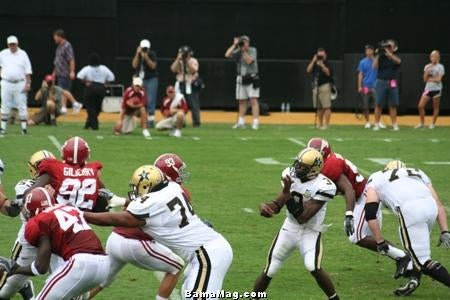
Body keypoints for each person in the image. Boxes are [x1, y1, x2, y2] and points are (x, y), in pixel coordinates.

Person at [83, 165, 233, 298]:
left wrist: (81, 215)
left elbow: (118, 219)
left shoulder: (152, 202)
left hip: (207, 254)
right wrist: (122, 201)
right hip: (206, 251)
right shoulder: (173, 187)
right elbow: (153, 205)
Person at [88, 153, 190, 300]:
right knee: (176, 266)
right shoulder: (178, 192)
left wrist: (121, 200)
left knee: (103, 280)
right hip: (136, 243)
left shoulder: (146, 184)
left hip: (115, 239)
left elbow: (141, 205)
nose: (181, 174)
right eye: (179, 171)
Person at [307, 138, 410, 277]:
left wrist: (349, 214)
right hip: (362, 195)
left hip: (364, 196)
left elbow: (349, 190)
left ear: (323, 154)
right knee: (373, 238)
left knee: (356, 236)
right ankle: (406, 262)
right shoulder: (328, 160)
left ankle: (404, 257)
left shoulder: (331, 165)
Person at [255, 148, 340, 300]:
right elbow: (277, 205)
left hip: (310, 231)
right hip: (289, 228)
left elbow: (303, 217)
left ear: (313, 169)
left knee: (313, 266)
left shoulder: (325, 186)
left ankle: (334, 298)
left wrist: (287, 194)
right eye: (298, 164)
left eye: (302, 166)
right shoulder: (289, 174)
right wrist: (267, 208)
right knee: (271, 268)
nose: (297, 168)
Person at [6, 187, 110, 299]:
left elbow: (40, 268)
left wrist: (15, 268)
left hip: (81, 263)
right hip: (104, 265)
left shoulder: (39, 221)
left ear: (35, 210)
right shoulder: (69, 209)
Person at [365, 160, 450, 296]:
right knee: (417, 250)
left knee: (422, 260)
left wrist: (380, 241)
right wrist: (445, 230)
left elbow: (370, 213)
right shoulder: (418, 172)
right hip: (430, 207)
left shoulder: (377, 177)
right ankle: (414, 280)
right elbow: (438, 203)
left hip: (410, 210)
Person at [0, 150, 55, 300]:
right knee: (5, 292)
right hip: (29, 242)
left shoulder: (63, 186)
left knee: (62, 281)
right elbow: (27, 212)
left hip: (57, 241)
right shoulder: (25, 185)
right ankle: (24, 286)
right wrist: (47, 195)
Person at [26, 136, 107, 212]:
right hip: (83, 223)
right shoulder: (92, 173)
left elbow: (28, 195)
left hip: (60, 220)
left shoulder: (55, 169)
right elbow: (104, 205)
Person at [225, 35, 260, 130]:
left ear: (248, 43)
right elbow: (227, 55)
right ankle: (241, 121)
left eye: (245, 42)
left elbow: (249, 61)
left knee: (253, 100)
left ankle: (255, 122)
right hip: (241, 77)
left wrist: (243, 51)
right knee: (242, 100)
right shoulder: (239, 51)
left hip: (251, 77)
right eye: (242, 42)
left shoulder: (252, 50)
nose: (244, 44)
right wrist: (234, 45)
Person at [0, 35, 32, 135]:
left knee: (22, 105)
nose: (12, 46)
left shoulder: (23, 54)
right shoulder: (3, 53)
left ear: (17, 44)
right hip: (6, 82)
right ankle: (3, 128)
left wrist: (28, 83)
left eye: (14, 44)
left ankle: (24, 129)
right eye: (10, 44)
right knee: (5, 105)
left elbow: (28, 70)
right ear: (8, 44)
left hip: (20, 83)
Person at [77, 53, 115, 130]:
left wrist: (85, 82)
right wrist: (106, 83)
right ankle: (88, 123)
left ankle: (94, 125)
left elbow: (79, 76)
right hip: (101, 88)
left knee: (90, 108)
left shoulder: (87, 68)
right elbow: (112, 77)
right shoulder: (104, 68)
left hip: (91, 87)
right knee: (97, 108)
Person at [372, 39, 401, 131]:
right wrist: (377, 55)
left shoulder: (395, 57)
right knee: (378, 104)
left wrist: (390, 55)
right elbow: (374, 67)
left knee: (393, 104)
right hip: (381, 81)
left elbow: (399, 62)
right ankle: (376, 124)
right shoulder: (381, 57)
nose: (388, 47)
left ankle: (394, 124)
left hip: (392, 82)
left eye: (390, 46)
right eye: (387, 46)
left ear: (394, 48)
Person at [170, 45, 201, 128]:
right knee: (181, 104)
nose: (185, 55)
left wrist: (187, 62)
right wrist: (178, 59)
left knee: (194, 104)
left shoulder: (193, 60)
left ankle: (196, 123)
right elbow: (173, 69)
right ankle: (181, 121)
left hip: (191, 84)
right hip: (181, 84)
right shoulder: (179, 61)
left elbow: (193, 70)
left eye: (186, 54)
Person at [132, 39, 158, 128]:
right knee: (139, 99)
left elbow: (153, 66)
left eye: (145, 48)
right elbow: (134, 65)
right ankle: (143, 119)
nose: (144, 50)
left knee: (150, 99)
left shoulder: (152, 54)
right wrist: (137, 53)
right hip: (140, 79)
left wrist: (146, 57)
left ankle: (151, 120)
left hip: (151, 79)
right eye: (143, 48)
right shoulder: (138, 55)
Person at [415, 50, 445, 129]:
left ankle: (432, 124)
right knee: (420, 106)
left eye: (436, 56)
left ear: (438, 58)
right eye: (432, 56)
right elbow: (424, 79)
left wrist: (430, 78)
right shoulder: (427, 66)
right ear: (430, 57)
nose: (434, 58)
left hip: (437, 89)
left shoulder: (440, 67)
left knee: (435, 107)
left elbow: (439, 79)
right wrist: (428, 72)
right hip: (428, 89)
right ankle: (422, 123)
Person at [306, 48, 333, 130]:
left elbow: (328, 73)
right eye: (319, 55)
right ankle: (320, 123)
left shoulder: (327, 63)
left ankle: (327, 124)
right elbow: (308, 70)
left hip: (324, 86)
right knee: (319, 107)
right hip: (316, 86)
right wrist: (313, 61)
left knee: (326, 106)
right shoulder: (315, 63)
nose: (320, 57)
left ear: (325, 55)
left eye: (322, 55)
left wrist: (322, 65)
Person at [357, 45, 378, 128]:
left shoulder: (377, 60)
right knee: (365, 105)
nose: (368, 52)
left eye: (370, 50)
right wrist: (359, 86)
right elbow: (360, 74)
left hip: (375, 86)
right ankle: (367, 122)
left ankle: (377, 122)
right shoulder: (362, 62)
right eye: (367, 50)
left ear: (373, 51)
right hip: (366, 86)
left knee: (377, 105)